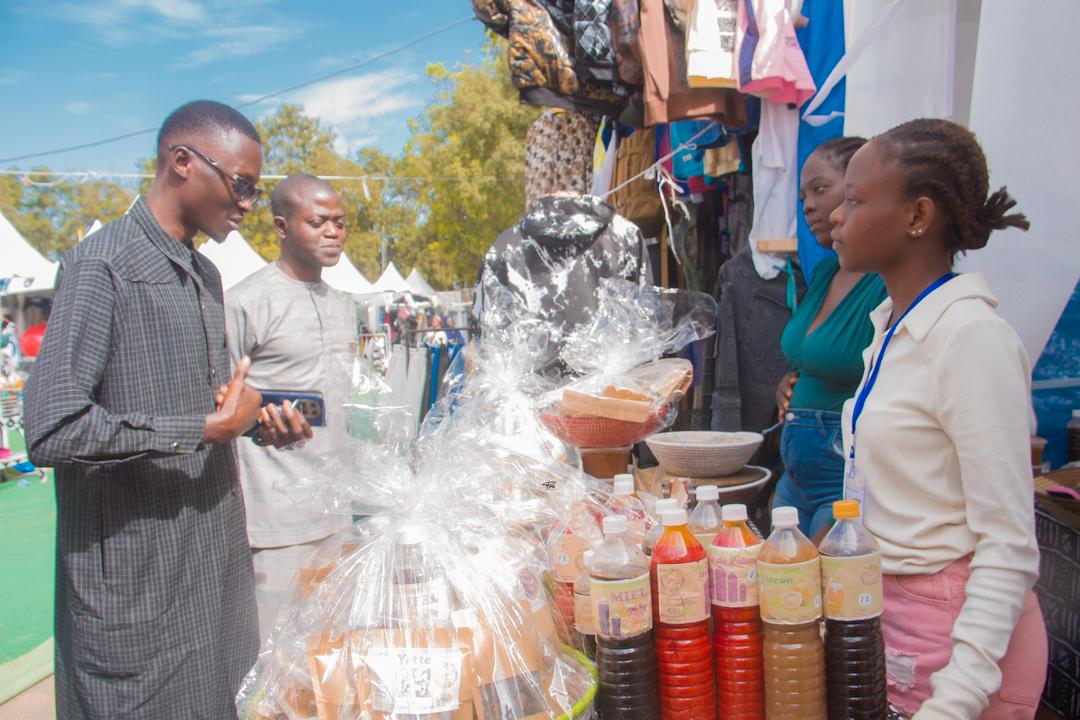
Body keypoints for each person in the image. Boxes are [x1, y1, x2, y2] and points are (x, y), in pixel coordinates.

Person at [23, 100, 307, 719]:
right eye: (241, 184)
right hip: (135, 585)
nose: (248, 203)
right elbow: (50, 426)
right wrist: (203, 427)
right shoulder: (103, 265)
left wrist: (254, 423)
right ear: (182, 162)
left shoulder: (203, 275)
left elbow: (196, 412)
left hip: (209, 569)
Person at [832, 118, 1046, 718]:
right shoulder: (891, 327)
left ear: (917, 216)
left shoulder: (972, 338)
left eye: (855, 200)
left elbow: (1008, 545)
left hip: (966, 655)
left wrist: (955, 700)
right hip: (900, 627)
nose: (836, 217)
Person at [224, 174, 355, 643]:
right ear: (281, 227)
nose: (333, 232)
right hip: (275, 523)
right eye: (317, 222)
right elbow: (221, 404)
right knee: (276, 665)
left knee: (332, 654)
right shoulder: (245, 303)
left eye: (339, 222)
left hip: (338, 513)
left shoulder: (344, 306)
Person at [771, 136, 887, 539]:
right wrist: (786, 387)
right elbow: (808, 357)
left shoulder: (885, 284)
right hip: (794, 482)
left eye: (821, 190)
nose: (808, 205)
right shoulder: (824, 274)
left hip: (842, 484)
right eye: (803, 195)